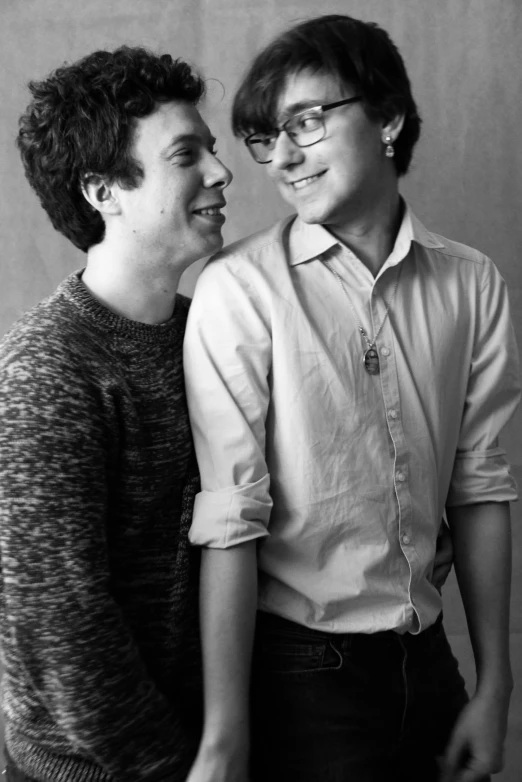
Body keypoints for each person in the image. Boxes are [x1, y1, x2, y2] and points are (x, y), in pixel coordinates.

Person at [183, 14, 520, 782]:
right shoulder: (240, 289)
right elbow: (231, 517)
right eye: (268, 137)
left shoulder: (471, 282)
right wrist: (225, 734)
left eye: (307, 121)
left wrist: (496, 680)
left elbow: (480, 485)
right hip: (302, 674)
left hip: (430, 662)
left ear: (389, 118)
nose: (283, 158)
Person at [0, 46, 231, 781]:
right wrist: (182, 766)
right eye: (186, 155)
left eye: (214, 152)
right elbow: (61, 629)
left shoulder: (218, 333)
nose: (222, 174)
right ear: (103, 189)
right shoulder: (47, 370)